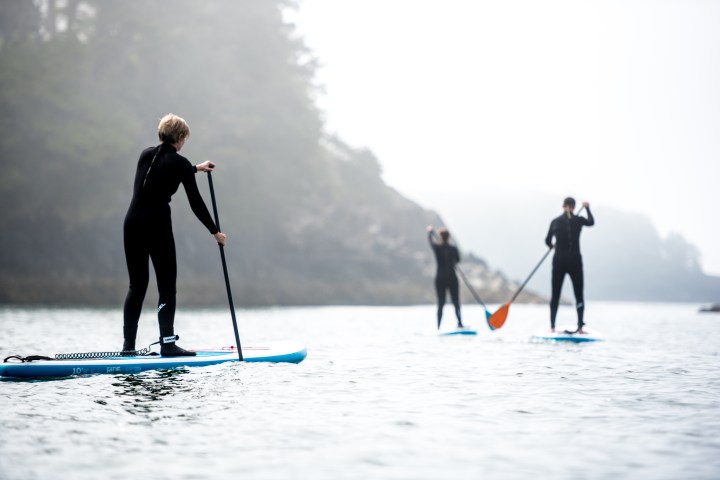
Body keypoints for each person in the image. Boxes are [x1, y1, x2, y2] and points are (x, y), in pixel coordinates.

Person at [122, 114, 227, 356]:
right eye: (184, 140)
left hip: (132, 224)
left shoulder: (145, 154)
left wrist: (194, 168)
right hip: (156, 226)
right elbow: (196, 203)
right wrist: (215, 232)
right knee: (166, 286)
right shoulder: (180, 164)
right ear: (180, 138)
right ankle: (167, 344)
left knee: (136, 285)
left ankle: (128, 347)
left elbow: (165, 169)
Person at [545, 197, 594, 334]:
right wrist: (588, 208)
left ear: (563, 206)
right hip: (574, 262)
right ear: (573, 206)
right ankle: (579, 327)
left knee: (557, 294)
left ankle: (553, 327)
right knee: (577, 294)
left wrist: (551, 246)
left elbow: (547, 240)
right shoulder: (578, 220)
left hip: (560, 261)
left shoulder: (555, 222)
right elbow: (591, 222)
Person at [427, 225, 463, 329]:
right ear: (449, 237)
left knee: (441, 303)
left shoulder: (437, 248)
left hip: (440, 278)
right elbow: (458, 260)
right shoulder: (453, 249)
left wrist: (429, 232)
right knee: (456, 302)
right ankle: (460, 323)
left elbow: (430, 241)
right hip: (452, 277)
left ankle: (438, 326)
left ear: (441, 237)